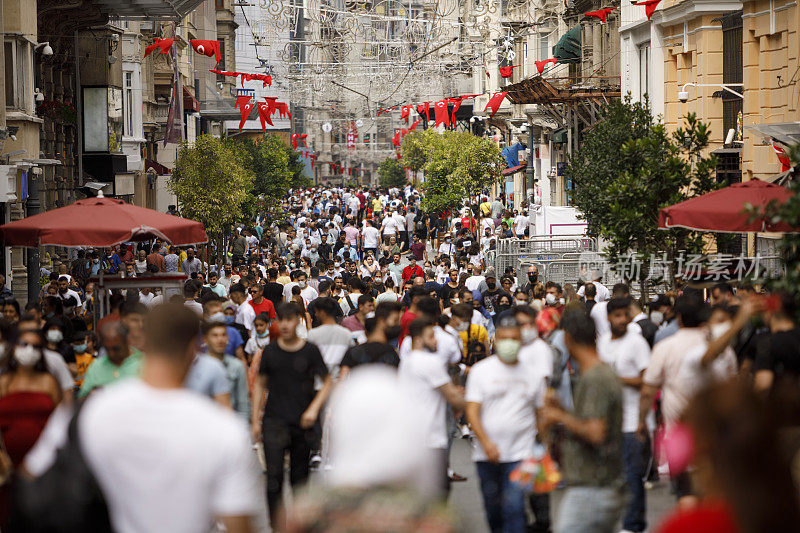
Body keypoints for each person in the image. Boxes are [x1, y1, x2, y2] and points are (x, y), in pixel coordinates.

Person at [23, 304, 262, 533]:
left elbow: (30, 474)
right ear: (194, 348)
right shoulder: (223, 430)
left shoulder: (91, 413)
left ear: (143, 343)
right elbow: (237, 523)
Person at [251, 302, 334, 530]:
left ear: (298, 320)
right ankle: (277, 525)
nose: (285, 324)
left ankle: (298, 525)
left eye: (290, 319)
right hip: (274, 421)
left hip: (301, 422)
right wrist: (255, 419)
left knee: (300, 479)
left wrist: (313, 409)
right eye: (281, 319)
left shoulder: (310, 351)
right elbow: (260, 384)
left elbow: (327, 382)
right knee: (273, 479)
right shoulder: (270, 352)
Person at [541, 311, 624, 533]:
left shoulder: (594, 378)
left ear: (567, 338)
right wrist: (564, 412)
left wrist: (558, 416)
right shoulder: (598, 374)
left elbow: (595, 432)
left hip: (592, 487)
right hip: (600, 485)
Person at [466, 316, 546, 533]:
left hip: (520, 454)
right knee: (493, 508)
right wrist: (486, 443)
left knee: (514, 507)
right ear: (495, 340)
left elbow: (541, 414)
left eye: (514, 339)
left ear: (521, 342)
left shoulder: (533, 375)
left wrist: (541, 449)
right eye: (504, 339)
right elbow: (472, 411)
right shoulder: (481, 371)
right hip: (486, 454)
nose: (509, 343)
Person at [597, 297, 650, 533]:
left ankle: (633, 525)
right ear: (608, 317)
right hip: (608, 422)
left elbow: (647, 381)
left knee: (631, 476)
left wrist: (617, 380)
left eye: (625, 315)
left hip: (631, 421)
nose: (622, 320)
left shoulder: (637, 343)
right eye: (617, 315)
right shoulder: (602, 343)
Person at [0, 326, 61, 526]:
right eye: (24, 344)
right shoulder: (4, 383)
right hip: (7, 467)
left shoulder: (48, 382)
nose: (29, 350)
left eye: (35, 346)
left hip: (43, 467)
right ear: (14, 348)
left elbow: (60, 424)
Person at [398, 317, 466, 496]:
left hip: (410, 438)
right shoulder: (429, 362)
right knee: (438, 493)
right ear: (419, 340)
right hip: (430, 439)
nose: (436, 341)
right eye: (431, 337)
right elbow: (452, 396)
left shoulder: (406, 361)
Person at [79, 321, 143, 398]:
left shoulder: (143, 363)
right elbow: (82, 398)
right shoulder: (96, 366)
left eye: (116, 349)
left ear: (127, 341)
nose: (111, 354)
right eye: (107, 349)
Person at [339, 301, 402, 379]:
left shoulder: (353, 352)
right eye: (395, 321)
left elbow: (342, 381)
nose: (398, 325)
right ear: (382, 321)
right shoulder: (392, 355)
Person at [201, 320, 249, 421]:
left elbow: (243, 402)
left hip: (229, 423)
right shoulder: (197, 366)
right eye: (215, 335)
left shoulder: (237, 366)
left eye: (223, 335)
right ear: (205, 339)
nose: (220, 339)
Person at [306, 297, 355, 374]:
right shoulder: (346, 334)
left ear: (322, 313)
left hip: (319, 383)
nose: (315, 314)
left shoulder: (312, 335)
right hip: (341, 381)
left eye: (317, 312)